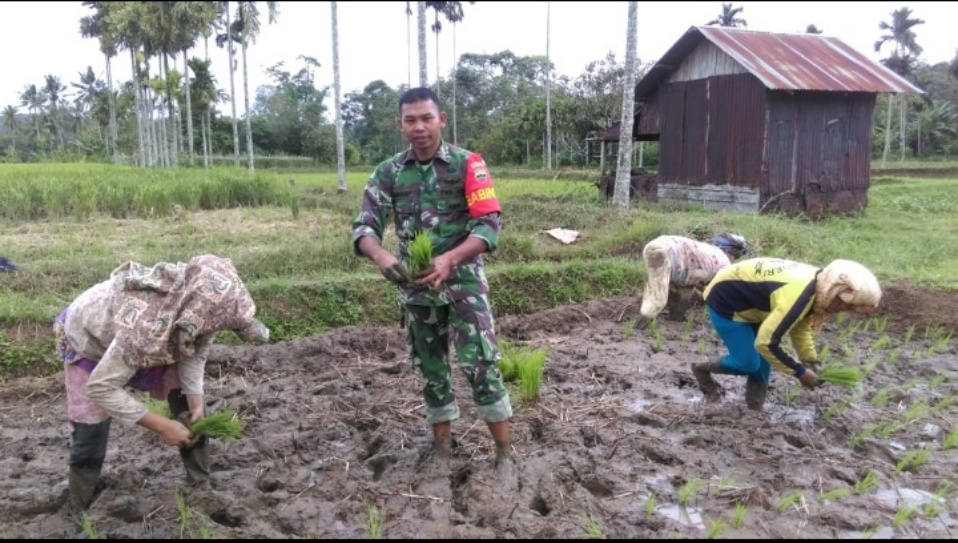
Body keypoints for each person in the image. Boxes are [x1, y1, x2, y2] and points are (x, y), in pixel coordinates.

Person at [351, 87, 514, 477]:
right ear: (400, 125)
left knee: (481, 366)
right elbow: (364, 227)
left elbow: (489, 226)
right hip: (418, 289)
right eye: (411, 120)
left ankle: (505, 453)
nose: (419, 127)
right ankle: (442, 447)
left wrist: (450, 258)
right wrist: (380, 254)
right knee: (432, 370)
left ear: (442, 119)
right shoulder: (388, 172)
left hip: (464, 287)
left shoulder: (467, 165)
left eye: (427, 118)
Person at [55, 254, 270, 514]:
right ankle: (78, 506)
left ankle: (200, 486)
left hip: (152, 333)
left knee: (189, 409)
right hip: (93, 340)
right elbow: (101, 388)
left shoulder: (198, 311)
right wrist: (163, 426)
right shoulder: (146, 328)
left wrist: (196, 399)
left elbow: (196, 350)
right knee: (92, 426)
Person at [693, 257, 882, 411]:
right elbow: (766, 343)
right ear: (833, 289)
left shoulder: (818, 289)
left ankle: (754, 409)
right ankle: (701, 369)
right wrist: (799, 372)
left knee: (763, 364)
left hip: (755, 305)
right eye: (841, 302)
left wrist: (810, 360)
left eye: (848, 308)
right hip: (727, 301)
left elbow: (800, 327)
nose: (840, 309)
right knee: (749, 363)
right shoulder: (799, 296)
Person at [639, 233, 750, 321]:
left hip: (659, 247)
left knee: (684, 291)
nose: (735, 258)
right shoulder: (724, 262)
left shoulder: (708, 252)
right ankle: (639, 328)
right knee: (657, 299)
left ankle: (676, 317)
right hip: (664, 251)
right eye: (737, 255)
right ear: (731, 251)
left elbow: (697, 282)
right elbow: (716, 292)